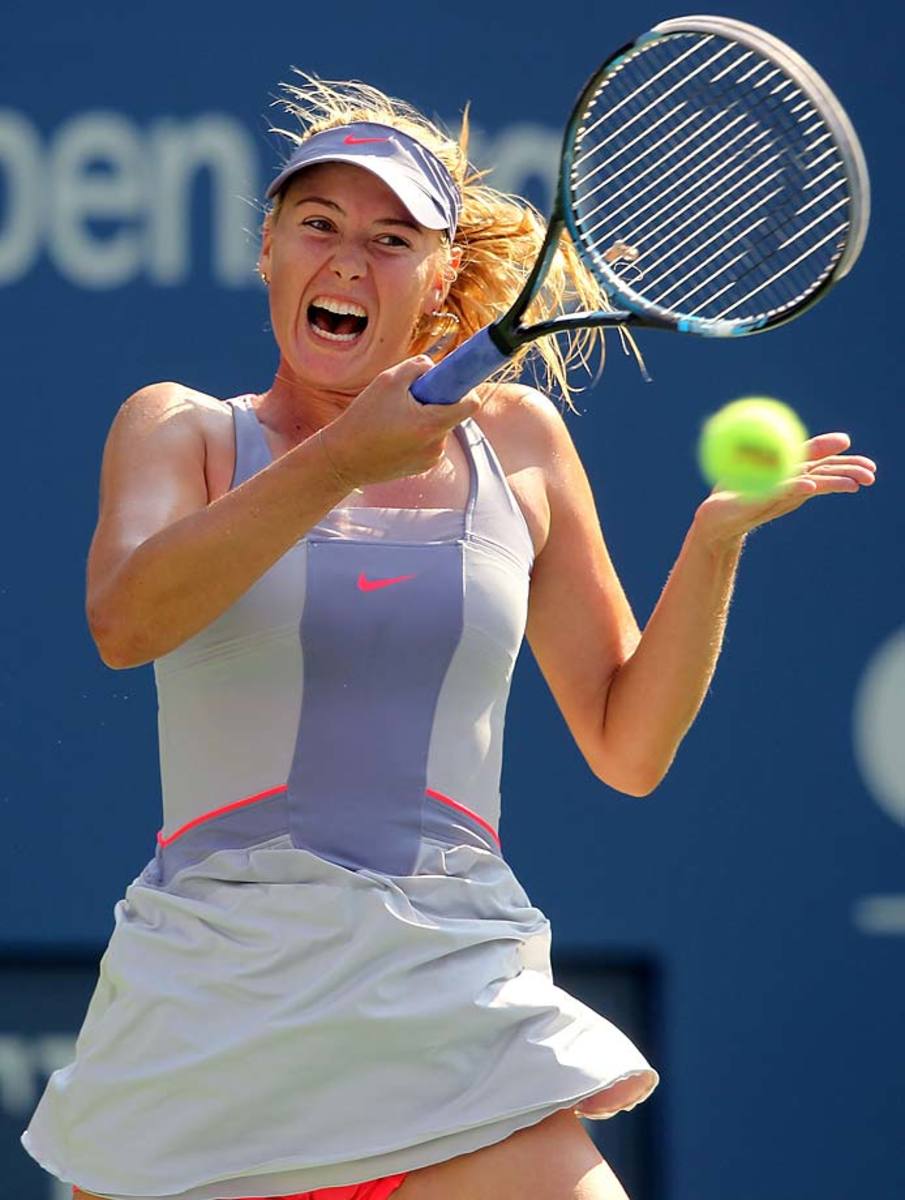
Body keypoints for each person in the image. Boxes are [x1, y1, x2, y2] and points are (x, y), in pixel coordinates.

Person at [20, 77, 875, 1200]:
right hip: (209, 1009)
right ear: (268, 252)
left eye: (390, 239)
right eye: (316, 226)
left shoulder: (521, 441)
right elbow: (125, 623)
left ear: (438, 284)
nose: (346, 259)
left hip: (451, 988)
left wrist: (713, 543)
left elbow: (628, 746)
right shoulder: (178, 427)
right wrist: (337, 462)